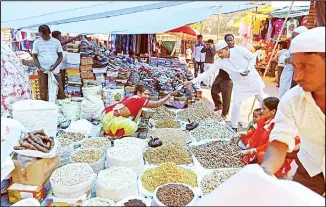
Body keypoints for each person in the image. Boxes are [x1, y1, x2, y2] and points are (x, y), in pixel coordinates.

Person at [261, 27, 325, 195]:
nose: (296, 76)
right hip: (311, 167)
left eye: (306, 66)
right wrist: (264, 172)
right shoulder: (292, 99)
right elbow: (280, 140)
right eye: (295, 66)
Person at [184, 40, 266, 132]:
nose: (219, 55)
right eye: (217, 53)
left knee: (262, 100)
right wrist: (193, 81)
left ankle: (266, 122)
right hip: (240, 84)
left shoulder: (239, 50)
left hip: (252, 79)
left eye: (220, 52)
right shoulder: (220, 62)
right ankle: (234, 127)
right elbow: (208, 72)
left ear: (227, 49)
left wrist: (248, 69)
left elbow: (252, 58)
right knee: (236, 104)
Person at [101, 85, 176, 138]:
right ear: (138, 93)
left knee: (131, 123)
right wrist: (168, 97)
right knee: (132, 126)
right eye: (145, 94)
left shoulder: (134, 98)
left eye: (148, 94)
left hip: (108, 116)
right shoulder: (139, 100)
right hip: (109, 119)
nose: (147, 96)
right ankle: (113, 136)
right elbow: (156, 104)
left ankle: (111, 130)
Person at [32, 25, 63, 101]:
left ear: (50, 33)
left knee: (57, 88)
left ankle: (57, 104)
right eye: (43, 35)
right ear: (40, 34)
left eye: (47, 35)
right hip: (42, 69)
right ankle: (45, 106)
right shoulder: (37, 42)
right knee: (43, 89)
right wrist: (39, 67)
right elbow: (34, 57)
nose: (45, 37)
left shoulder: (56, 42)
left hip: (54, 70)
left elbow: (60, 56)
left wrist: (54, 66)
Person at [278, 26, 308, 99]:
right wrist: (286, 60)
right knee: (284, 97)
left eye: (295, 37)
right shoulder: (293, 45)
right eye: (293, 37)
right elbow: (285, 56)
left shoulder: (308, 46)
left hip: (301, 75)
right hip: (289, 74)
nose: (293, 39)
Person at [51, 31, 82, 99]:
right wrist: (76, 37)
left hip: (61, 66)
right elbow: (65, 42)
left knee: (62, 81)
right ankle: (59, 95)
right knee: (59, 82)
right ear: (55, 37)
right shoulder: (54, 42)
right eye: (59, 36)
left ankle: (61, 94)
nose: (61, 37)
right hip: (57, 67)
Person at [210, 34, 233, 118]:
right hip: (221, 74)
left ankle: (224, 113)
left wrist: (233, 80)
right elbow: (213, 53)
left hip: (229, 77)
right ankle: (219, 104)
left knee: (226, 95)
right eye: (228, 40)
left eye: (231, 40)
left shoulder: (235, 52)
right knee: (214, 89)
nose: (230, 42)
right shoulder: (222, 48)